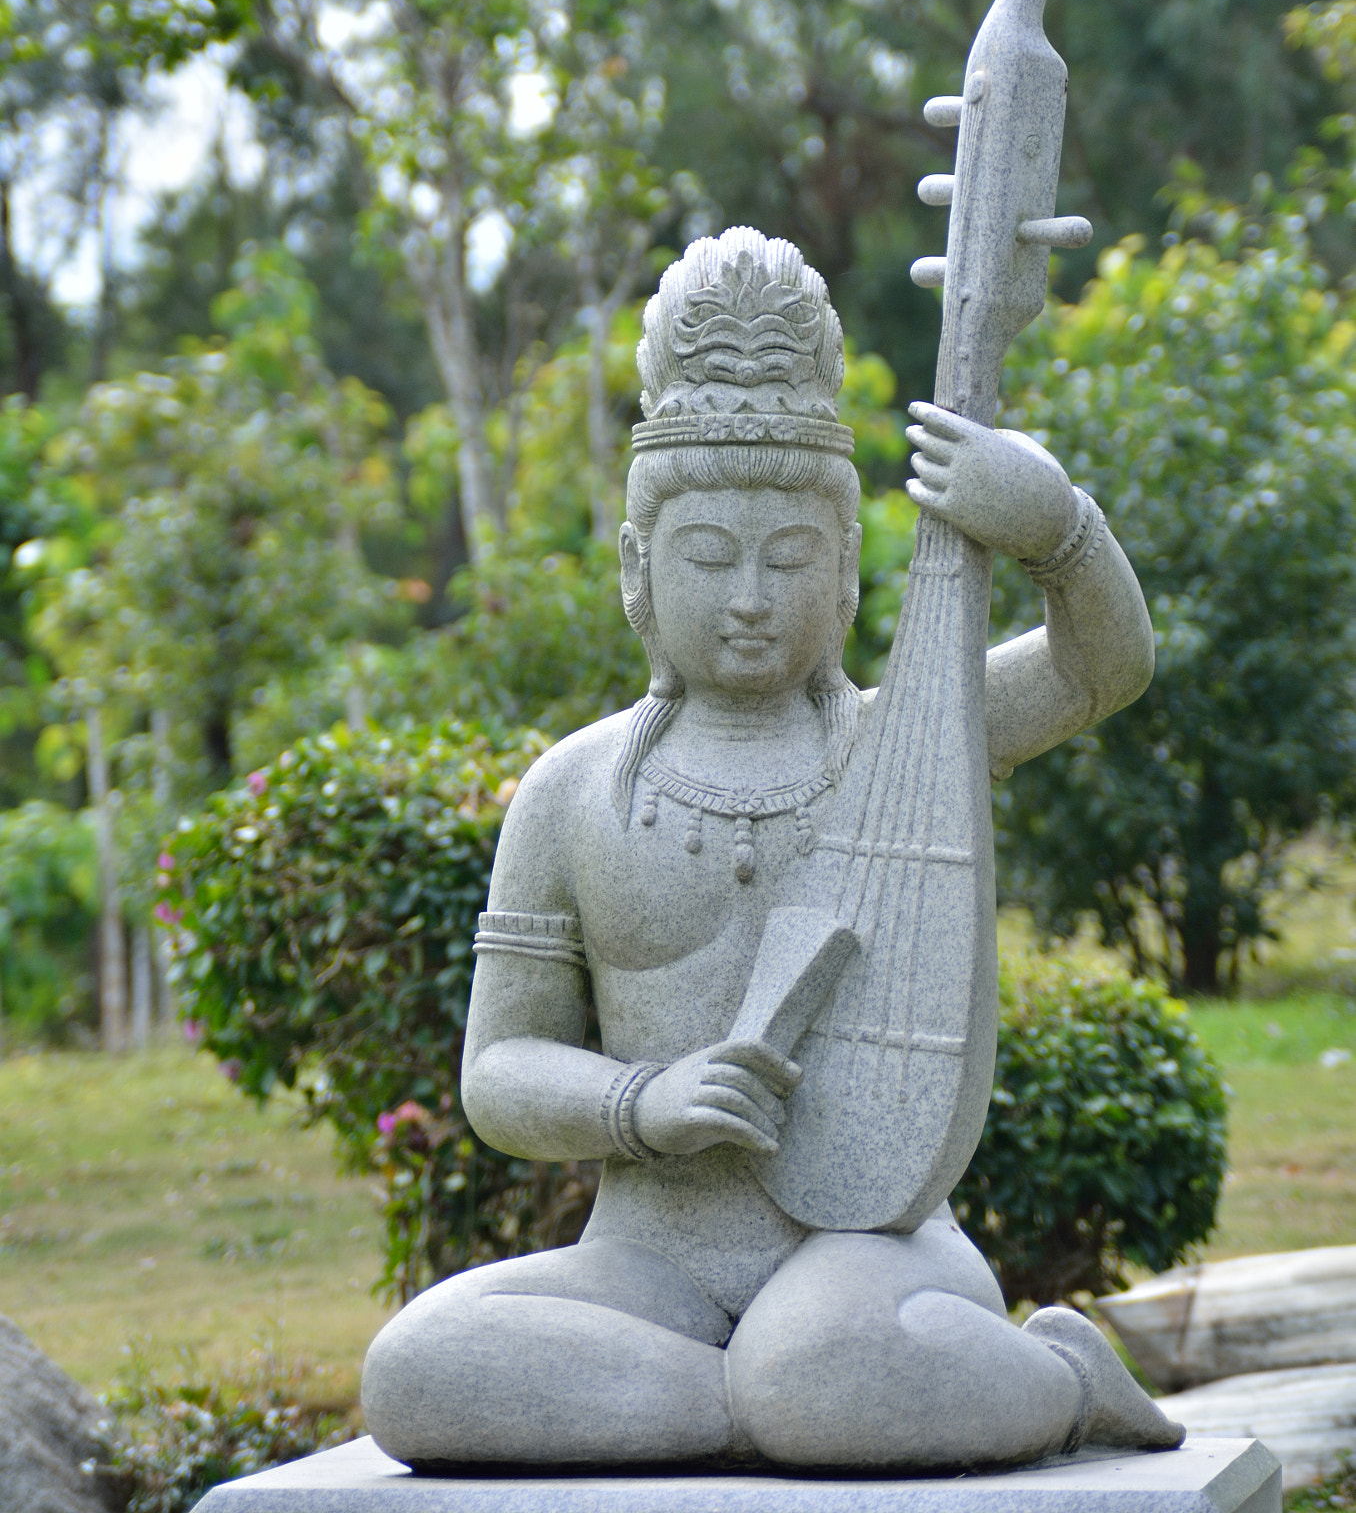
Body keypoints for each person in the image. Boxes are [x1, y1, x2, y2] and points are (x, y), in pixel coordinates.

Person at [361, 228, 1178, 1473]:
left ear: (846, 567)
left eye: (788, 555)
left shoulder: (910, 741)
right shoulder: (572, 789)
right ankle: (775, 1409)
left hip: (872, 1242)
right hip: (650, 1257)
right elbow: (500, 1068)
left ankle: (1048, 1374)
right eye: (707, 555)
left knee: (820, 1354)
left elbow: (1100, 668)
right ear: (639, 571)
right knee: (415, 1370)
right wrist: (643, 1101)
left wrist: (1057, 526)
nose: (749, 593)